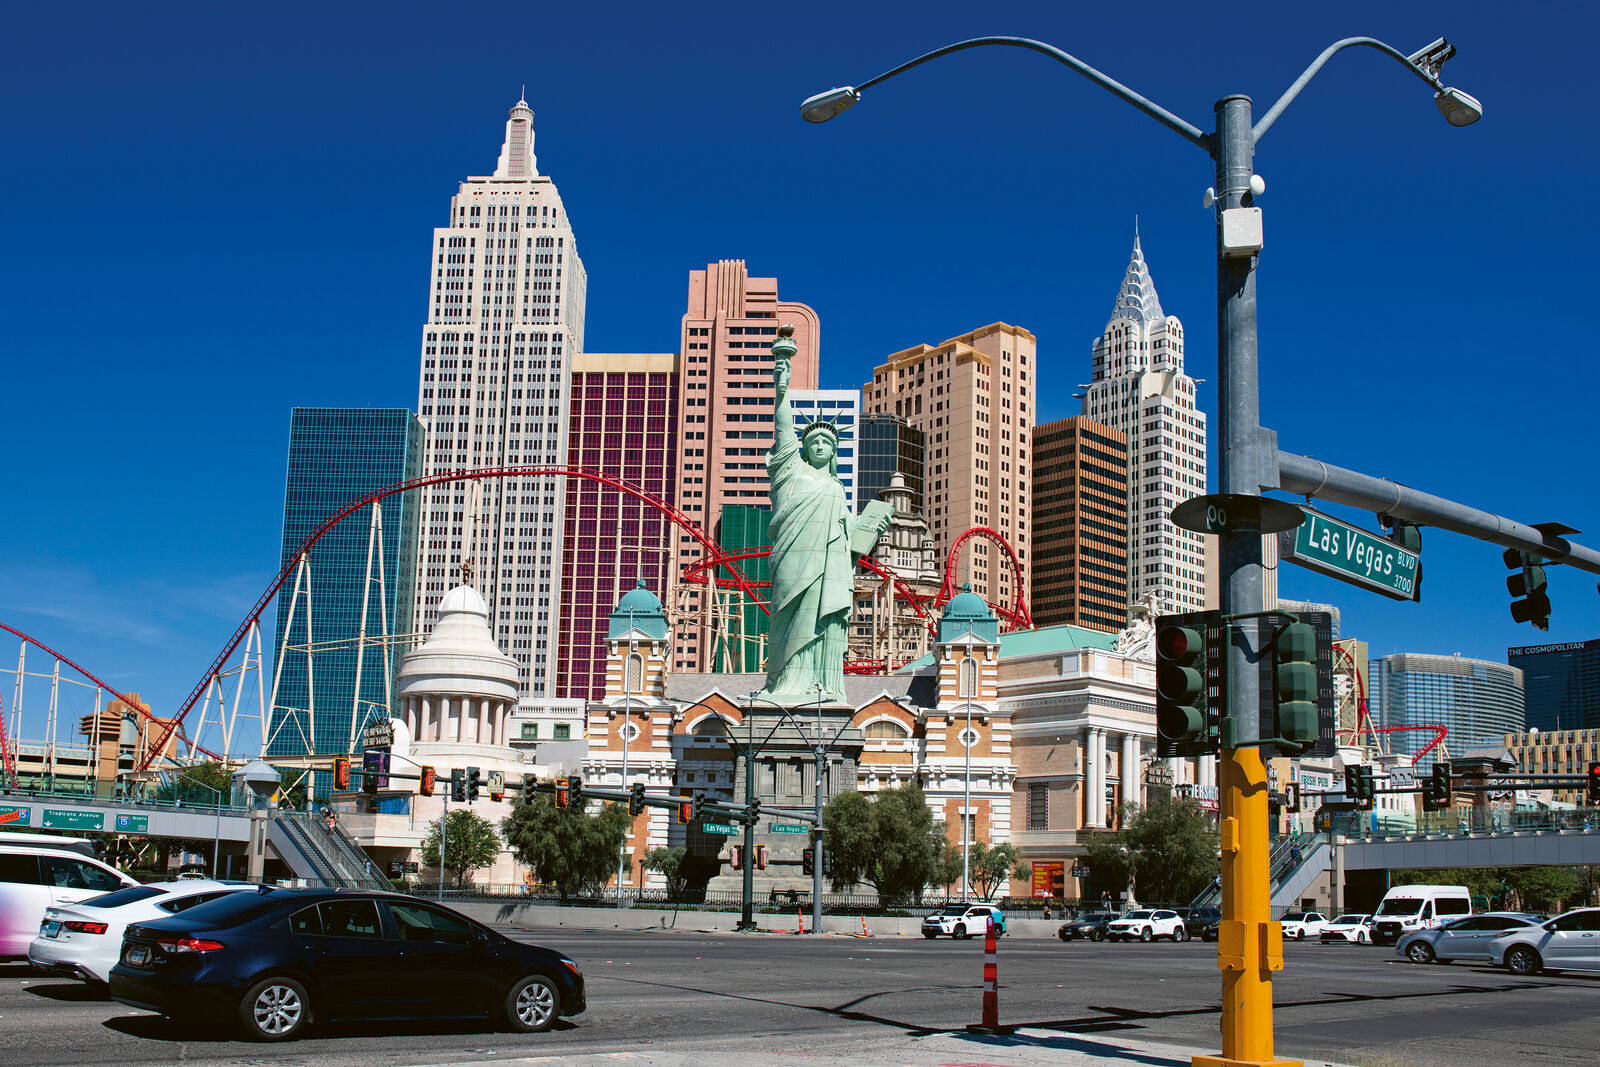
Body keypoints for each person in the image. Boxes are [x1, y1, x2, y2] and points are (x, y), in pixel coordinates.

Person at [758, 325, 892, 703]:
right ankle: (784, 685)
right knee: (789, 620)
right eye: (814, 440)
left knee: (828, 621)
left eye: (827, 443)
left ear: (834, 452)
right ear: (804, 447)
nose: (820, 445)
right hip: (792, 564)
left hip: (829, 569)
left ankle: (824, 687)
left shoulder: (837, 490)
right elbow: (784, 426)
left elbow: (851, 539)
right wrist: (782, 383)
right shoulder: (790, 470)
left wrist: (872, 526)